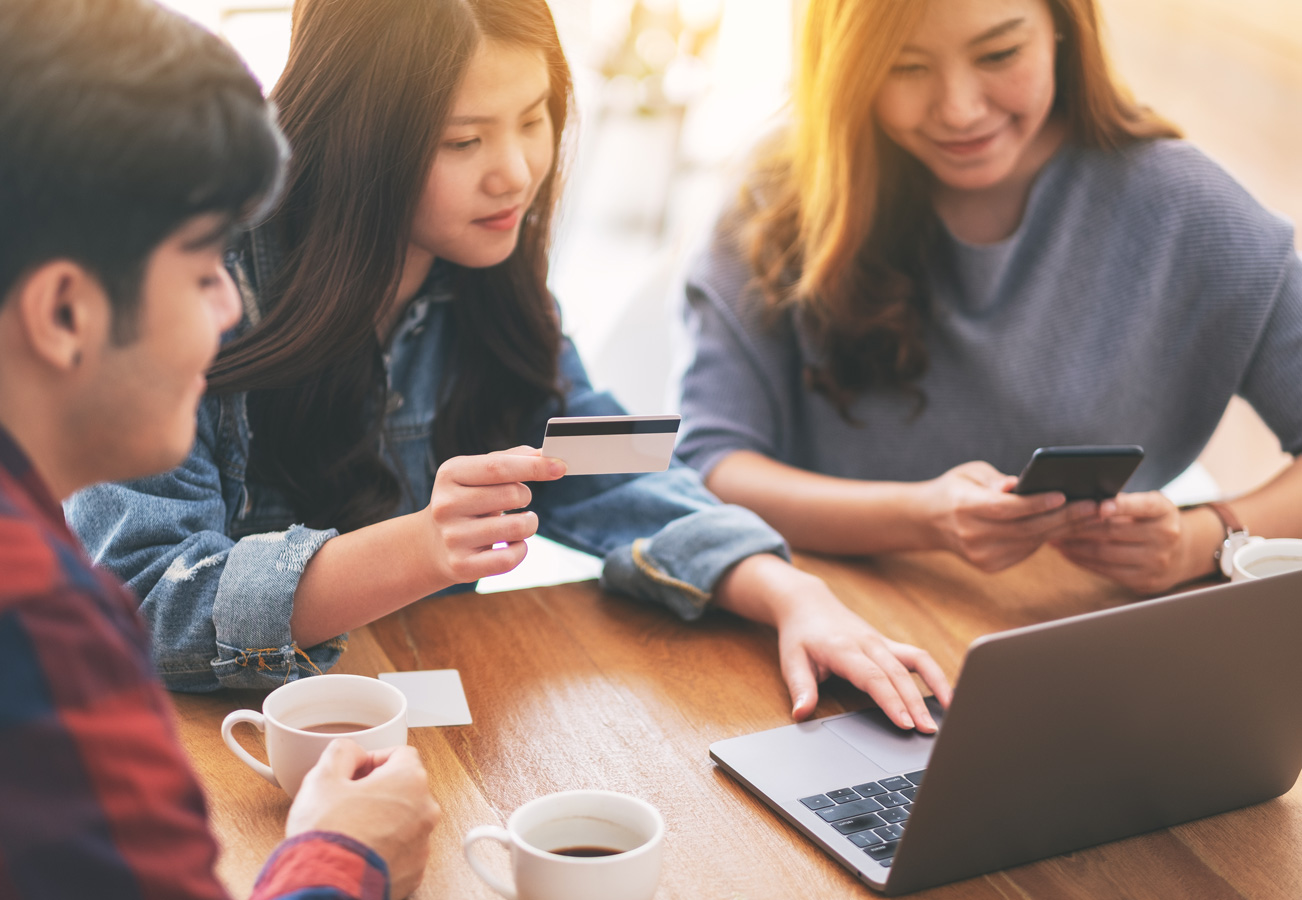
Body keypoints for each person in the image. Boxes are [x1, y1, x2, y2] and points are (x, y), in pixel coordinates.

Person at [64, 0, 951, 730]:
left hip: (401, 731)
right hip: (217, 758)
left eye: (536, 119)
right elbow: (140, 606)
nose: (518, 171)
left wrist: (791, 594)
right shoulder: (189, 278)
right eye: (464, 141)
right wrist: (420, 547)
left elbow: (610, 463)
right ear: (354, 135)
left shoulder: (481, 275)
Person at [0, 1, 438, 897]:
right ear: (65, 313)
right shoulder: (30, 632)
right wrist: (342, 853)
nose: (230, 309)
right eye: (203, 268)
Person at [675, 0, 1302, 596]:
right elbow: (713, 464)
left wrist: (1206, 537)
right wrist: (920, 517)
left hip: (1077, 641)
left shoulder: (1190, 210)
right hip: (817, 621)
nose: (959, 109)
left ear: (1062, 26)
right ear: (843, 64)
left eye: (999, 54)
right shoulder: (783, 191)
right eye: (905, 66)